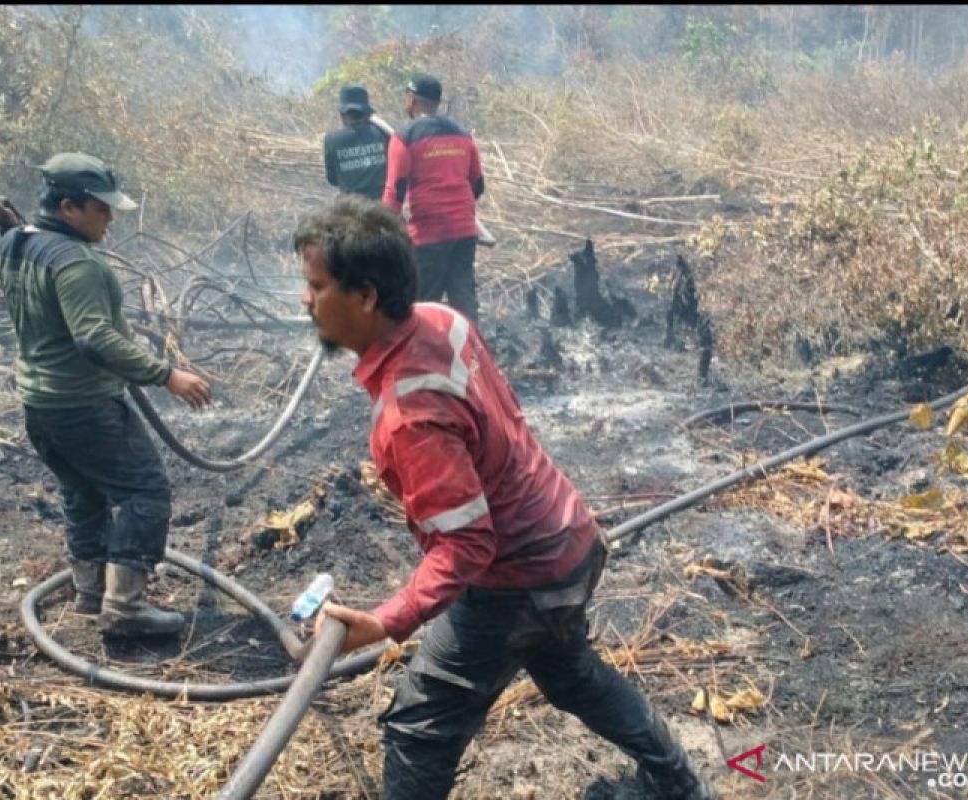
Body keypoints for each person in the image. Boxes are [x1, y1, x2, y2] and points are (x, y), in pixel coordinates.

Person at [296, 195, 713, 800]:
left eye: (317, 287)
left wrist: (385, 621)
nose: (306, 302)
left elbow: (467, 544)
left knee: (419, 725)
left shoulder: (412, 415)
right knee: (570, 672)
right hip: (570, 537)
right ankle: (678, 782)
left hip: (518, 577)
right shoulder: (441, 318)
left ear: (364, 296)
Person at [0, 153, 212, 638]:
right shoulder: (77, 264)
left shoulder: (13, 243)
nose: (109, 217)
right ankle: (125, 610)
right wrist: (165, 375)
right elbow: (93, 337)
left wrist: (13, 223)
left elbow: (39, 255)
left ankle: (90, 593)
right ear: (69, 207)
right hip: (86, 406)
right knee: (145, 492)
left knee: (83, 490)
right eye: (100, 208)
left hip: (41, 406)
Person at [382, 72, 485, 323]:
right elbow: (478, 184)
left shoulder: (405, 136)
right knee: (463, 297)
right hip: (463, 230)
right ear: (436, 103)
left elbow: (395, 190)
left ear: (411, 98)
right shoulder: (462, 134)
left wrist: (383, 229)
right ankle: (470, 355)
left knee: (425, 304)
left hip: (428, 234)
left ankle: (426, 357)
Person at [323, 85, 391, 200]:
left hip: (351, 207)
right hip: (383, 205)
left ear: (343, 114)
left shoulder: (332, 139)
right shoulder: (383, 134)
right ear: (367, 113)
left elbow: (332, 179)